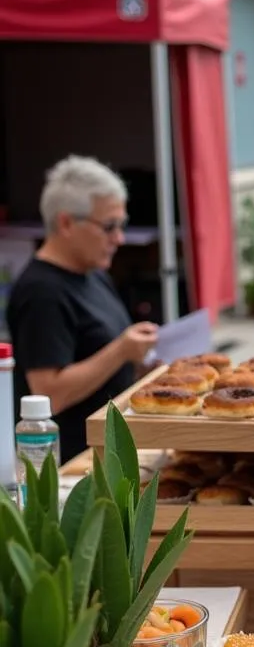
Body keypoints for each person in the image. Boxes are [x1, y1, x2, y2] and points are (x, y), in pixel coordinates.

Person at [6, 155, 159, 462]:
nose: (119, 238)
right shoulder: (42, 291)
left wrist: (141, 363)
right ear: (65, 223)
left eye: (122, 225)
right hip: (74, 466)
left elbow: (101, 356)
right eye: (109, 226)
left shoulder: (93, 273)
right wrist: (121, 350)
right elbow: (48, 394)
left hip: (106, 455)